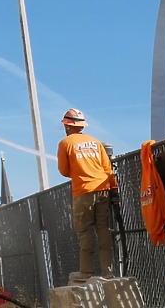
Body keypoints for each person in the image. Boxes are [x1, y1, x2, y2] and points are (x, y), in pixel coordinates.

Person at [56, 108, 119, 281]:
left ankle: (86, 272)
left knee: (85, 231)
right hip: (103, 189)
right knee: (103, 229)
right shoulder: (96, 142)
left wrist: (79, 172)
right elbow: (108, 169)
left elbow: (63, 170)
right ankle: (108, 271)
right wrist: (114, 189)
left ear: (67, 126)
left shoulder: (65, 144)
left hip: (83, 192)